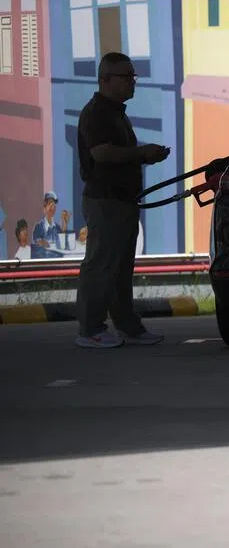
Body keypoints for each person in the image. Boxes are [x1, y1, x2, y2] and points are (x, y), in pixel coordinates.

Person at [74, 51, 171, 349]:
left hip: (122, 200)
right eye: (126, 77)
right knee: (101, 265)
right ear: (105, 79)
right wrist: (141, 153)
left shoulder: (116, 112)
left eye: (133, 76)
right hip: (106, 201)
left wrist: (143, 156)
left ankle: (128, 326)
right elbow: (101, 153)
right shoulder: (97, 113)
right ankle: (90, 329)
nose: (133, 82)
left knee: (120, 269)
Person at [31, 191, 69, 258]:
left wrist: (65, 223)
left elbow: (63, 243)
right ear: (44, 207)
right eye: (50, 204)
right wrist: (42, 242)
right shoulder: (38, 227)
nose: (52, 207)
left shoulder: (57, 227)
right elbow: (36, 246)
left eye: (54, 204)